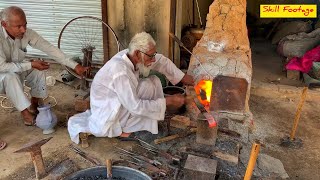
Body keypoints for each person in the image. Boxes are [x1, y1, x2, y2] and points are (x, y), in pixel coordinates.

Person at [68, 32, 194, 144]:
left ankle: (145, 123)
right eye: (151, 56)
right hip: (109, 108)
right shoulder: (120, 71)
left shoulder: (131, 55)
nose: (153, 59)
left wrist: (182, 77)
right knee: (142, 100)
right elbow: (135, 107)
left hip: (121, 99)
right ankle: (121, 129)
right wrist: (168, 101)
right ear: (138, 54)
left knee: (152, 83)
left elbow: (160, 61)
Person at [0, 6, 89, 127]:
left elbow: (49, 48)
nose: (23, 30)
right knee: (11, 77)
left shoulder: (26, 33)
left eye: (25, 24)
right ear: (4, 24)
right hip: (2, 75)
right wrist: (30, 64)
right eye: (18, 26)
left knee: (38, 69)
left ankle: (34, 106)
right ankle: (25, 114)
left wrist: (75, 65)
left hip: (16, 68)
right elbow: (3, 66)